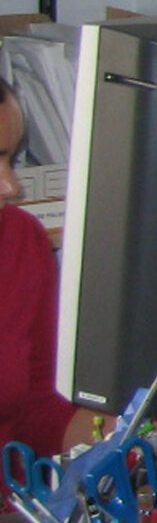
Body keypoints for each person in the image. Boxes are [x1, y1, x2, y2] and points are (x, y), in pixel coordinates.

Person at [1, 75, 79, 457]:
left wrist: (129, 430)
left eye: (12, 160)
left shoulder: (20, 240)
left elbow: (37, 410)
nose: (11, 186)